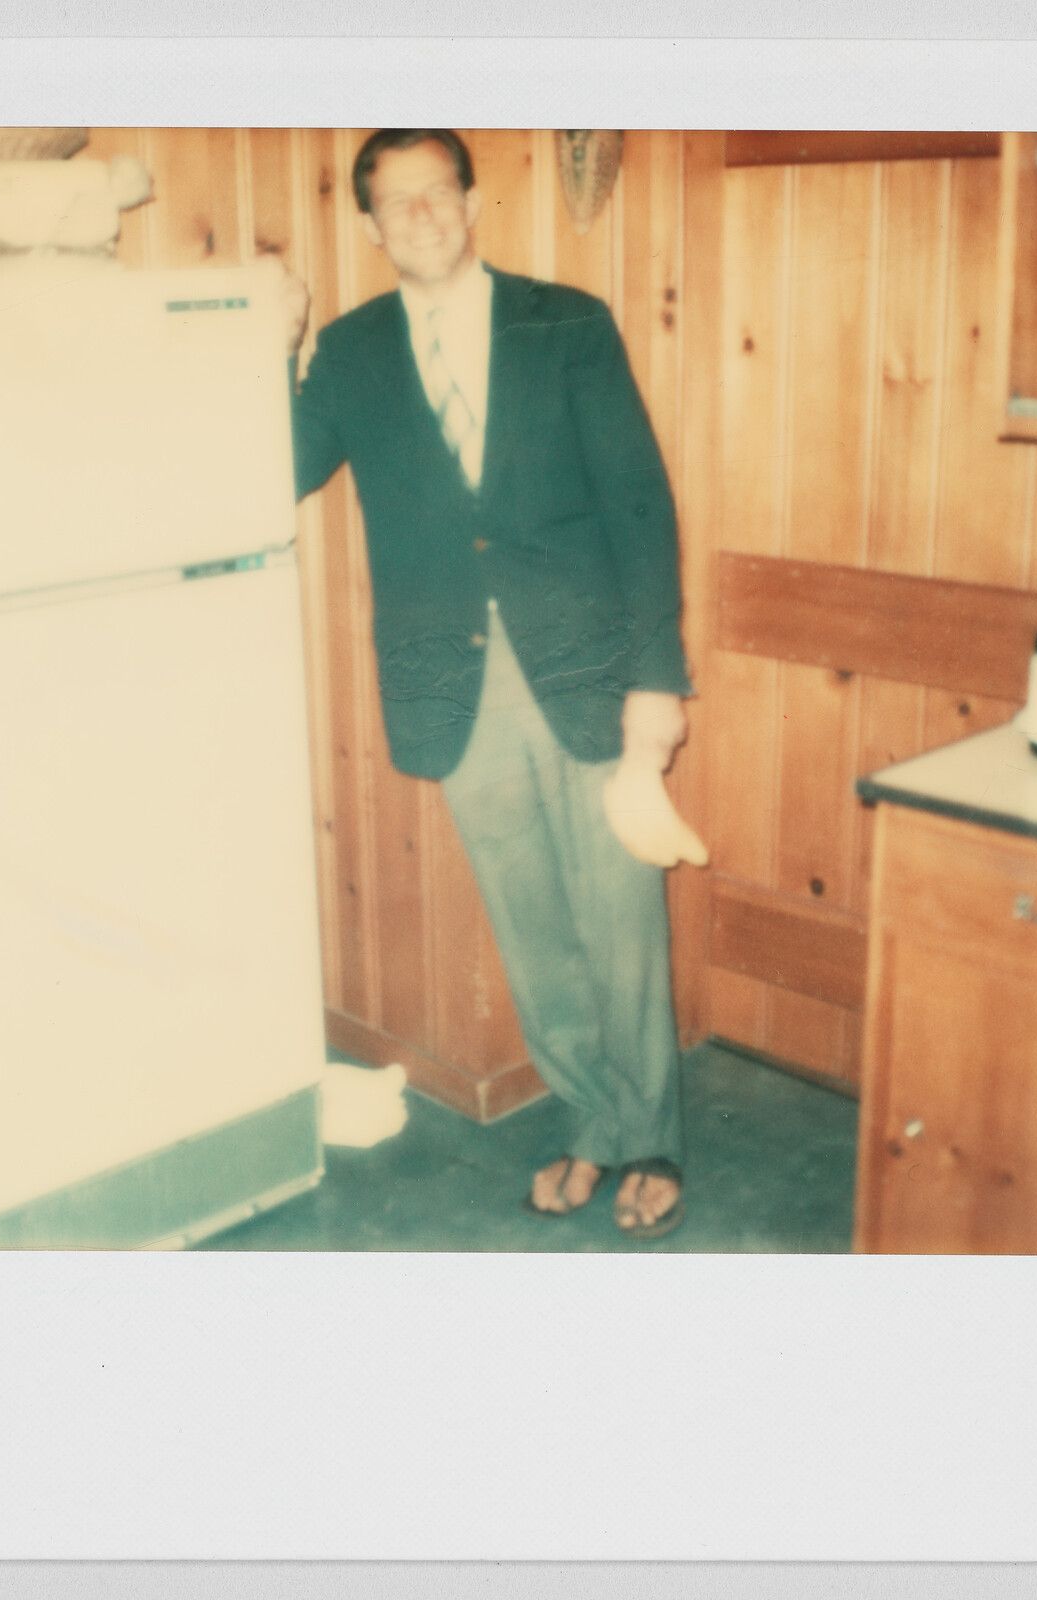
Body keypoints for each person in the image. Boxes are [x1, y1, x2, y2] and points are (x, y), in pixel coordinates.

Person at [281, 129, 692, 1238]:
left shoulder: (568, 324)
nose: (419, 214)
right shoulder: (352, 353)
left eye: (437, 192)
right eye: (395, 201)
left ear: (470, 202)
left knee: (620, 916)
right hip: (452, 683)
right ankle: (590, 1120)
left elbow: (640, 504)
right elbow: (275, 468)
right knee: (531, 925)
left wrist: (658, 680)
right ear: (369, 225)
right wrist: (275, 348)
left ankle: (651, 1135)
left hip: (590, 669)